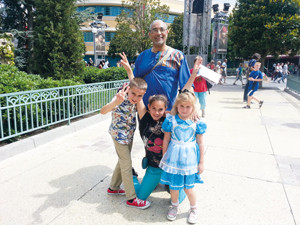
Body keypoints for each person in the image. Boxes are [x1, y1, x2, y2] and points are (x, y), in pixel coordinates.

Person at [119, 52, 201, 202]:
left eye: (160, 109)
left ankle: (167, 185)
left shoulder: (170, 119)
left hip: (171, 168)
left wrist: (194, 73)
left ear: (166, 110)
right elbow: (136, 89)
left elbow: (185, 91)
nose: (157, 112)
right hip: (154, 168)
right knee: (141, 196)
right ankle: (133, 177)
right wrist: (129, 71)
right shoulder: (144, 116)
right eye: (154, 108)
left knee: (178, 199)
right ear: (149, 107)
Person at [100, 77, 151, 209]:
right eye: (133, 93)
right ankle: (131, 198)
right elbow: (103, 111)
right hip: (118, 136)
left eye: (140, 96)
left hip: (129, 135)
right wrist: (116, 101)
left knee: (122, 161)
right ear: (128, 90)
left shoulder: (136, 101)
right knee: (127, 165)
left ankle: (113, 188)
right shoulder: (120, 98)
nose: (135, 97)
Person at [159, 90, 207, 223]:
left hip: (190, 160)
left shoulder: (197, 122)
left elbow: (200, 142)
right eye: (181, 106)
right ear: (177, 106)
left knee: (189, 187)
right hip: (173, 159)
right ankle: (174, 206)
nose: (184, 110)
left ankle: (194, 208)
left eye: (188, 107)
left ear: (193, 107)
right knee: (174, 187)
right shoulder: (171, 120)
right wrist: (165, 157)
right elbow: (166, 140)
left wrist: (201, 162)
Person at [133, 20, 192, 111]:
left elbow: (187, 85)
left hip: (168, 113)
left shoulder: (178, 56)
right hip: (145, 111)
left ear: (167, 33)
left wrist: (192, 108)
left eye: (162, 29)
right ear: (150, 34)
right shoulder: (142, 56)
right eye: (155, 30)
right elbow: (134, 83)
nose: (159, 33)